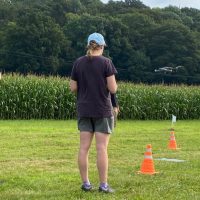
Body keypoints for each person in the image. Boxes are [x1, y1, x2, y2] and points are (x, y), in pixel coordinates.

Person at [70, 32, 118, 193]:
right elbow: (113, 89)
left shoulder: (78, 63)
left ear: (88, 45)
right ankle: (103, 185)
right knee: (101, 148)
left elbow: (73, 88)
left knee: (83, 148)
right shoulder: (106, 63)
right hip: (102, 110)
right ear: (102, 46)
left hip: (84, 109)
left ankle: (86, 184)